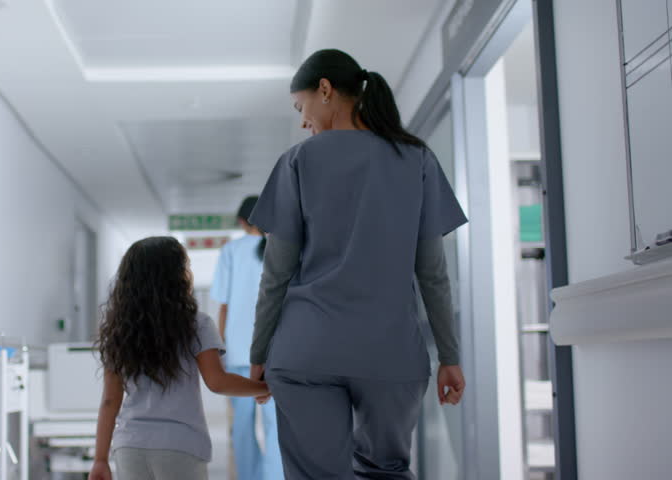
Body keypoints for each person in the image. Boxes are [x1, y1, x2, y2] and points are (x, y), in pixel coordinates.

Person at [247, 49, 468, 479]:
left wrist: (258, 353)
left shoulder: (298, 161)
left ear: (325, 90)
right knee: (385, 470)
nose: (302, 121)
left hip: (307, 350)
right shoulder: (416, 159)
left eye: (301, 106)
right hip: (390, 354)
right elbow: (432, 275)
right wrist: (449, 355)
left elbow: (276, 275)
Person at [89, 237, 270, 480]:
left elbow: (110, 401)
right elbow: (217, 381)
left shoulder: (119, 331)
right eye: (186, 266)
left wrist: (100, 459)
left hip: (130, 445)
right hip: (180, 445)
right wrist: (266, 387)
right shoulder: (196, 324)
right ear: (176, 276)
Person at [211, 196, 283, 480]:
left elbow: (224, 306)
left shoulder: (230, 251)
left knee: (241, 425)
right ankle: (276, 476)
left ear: (242, 222)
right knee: (276, 424)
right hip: (276, 352)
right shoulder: (282, 248)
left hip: (240, 352)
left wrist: (220, 350)